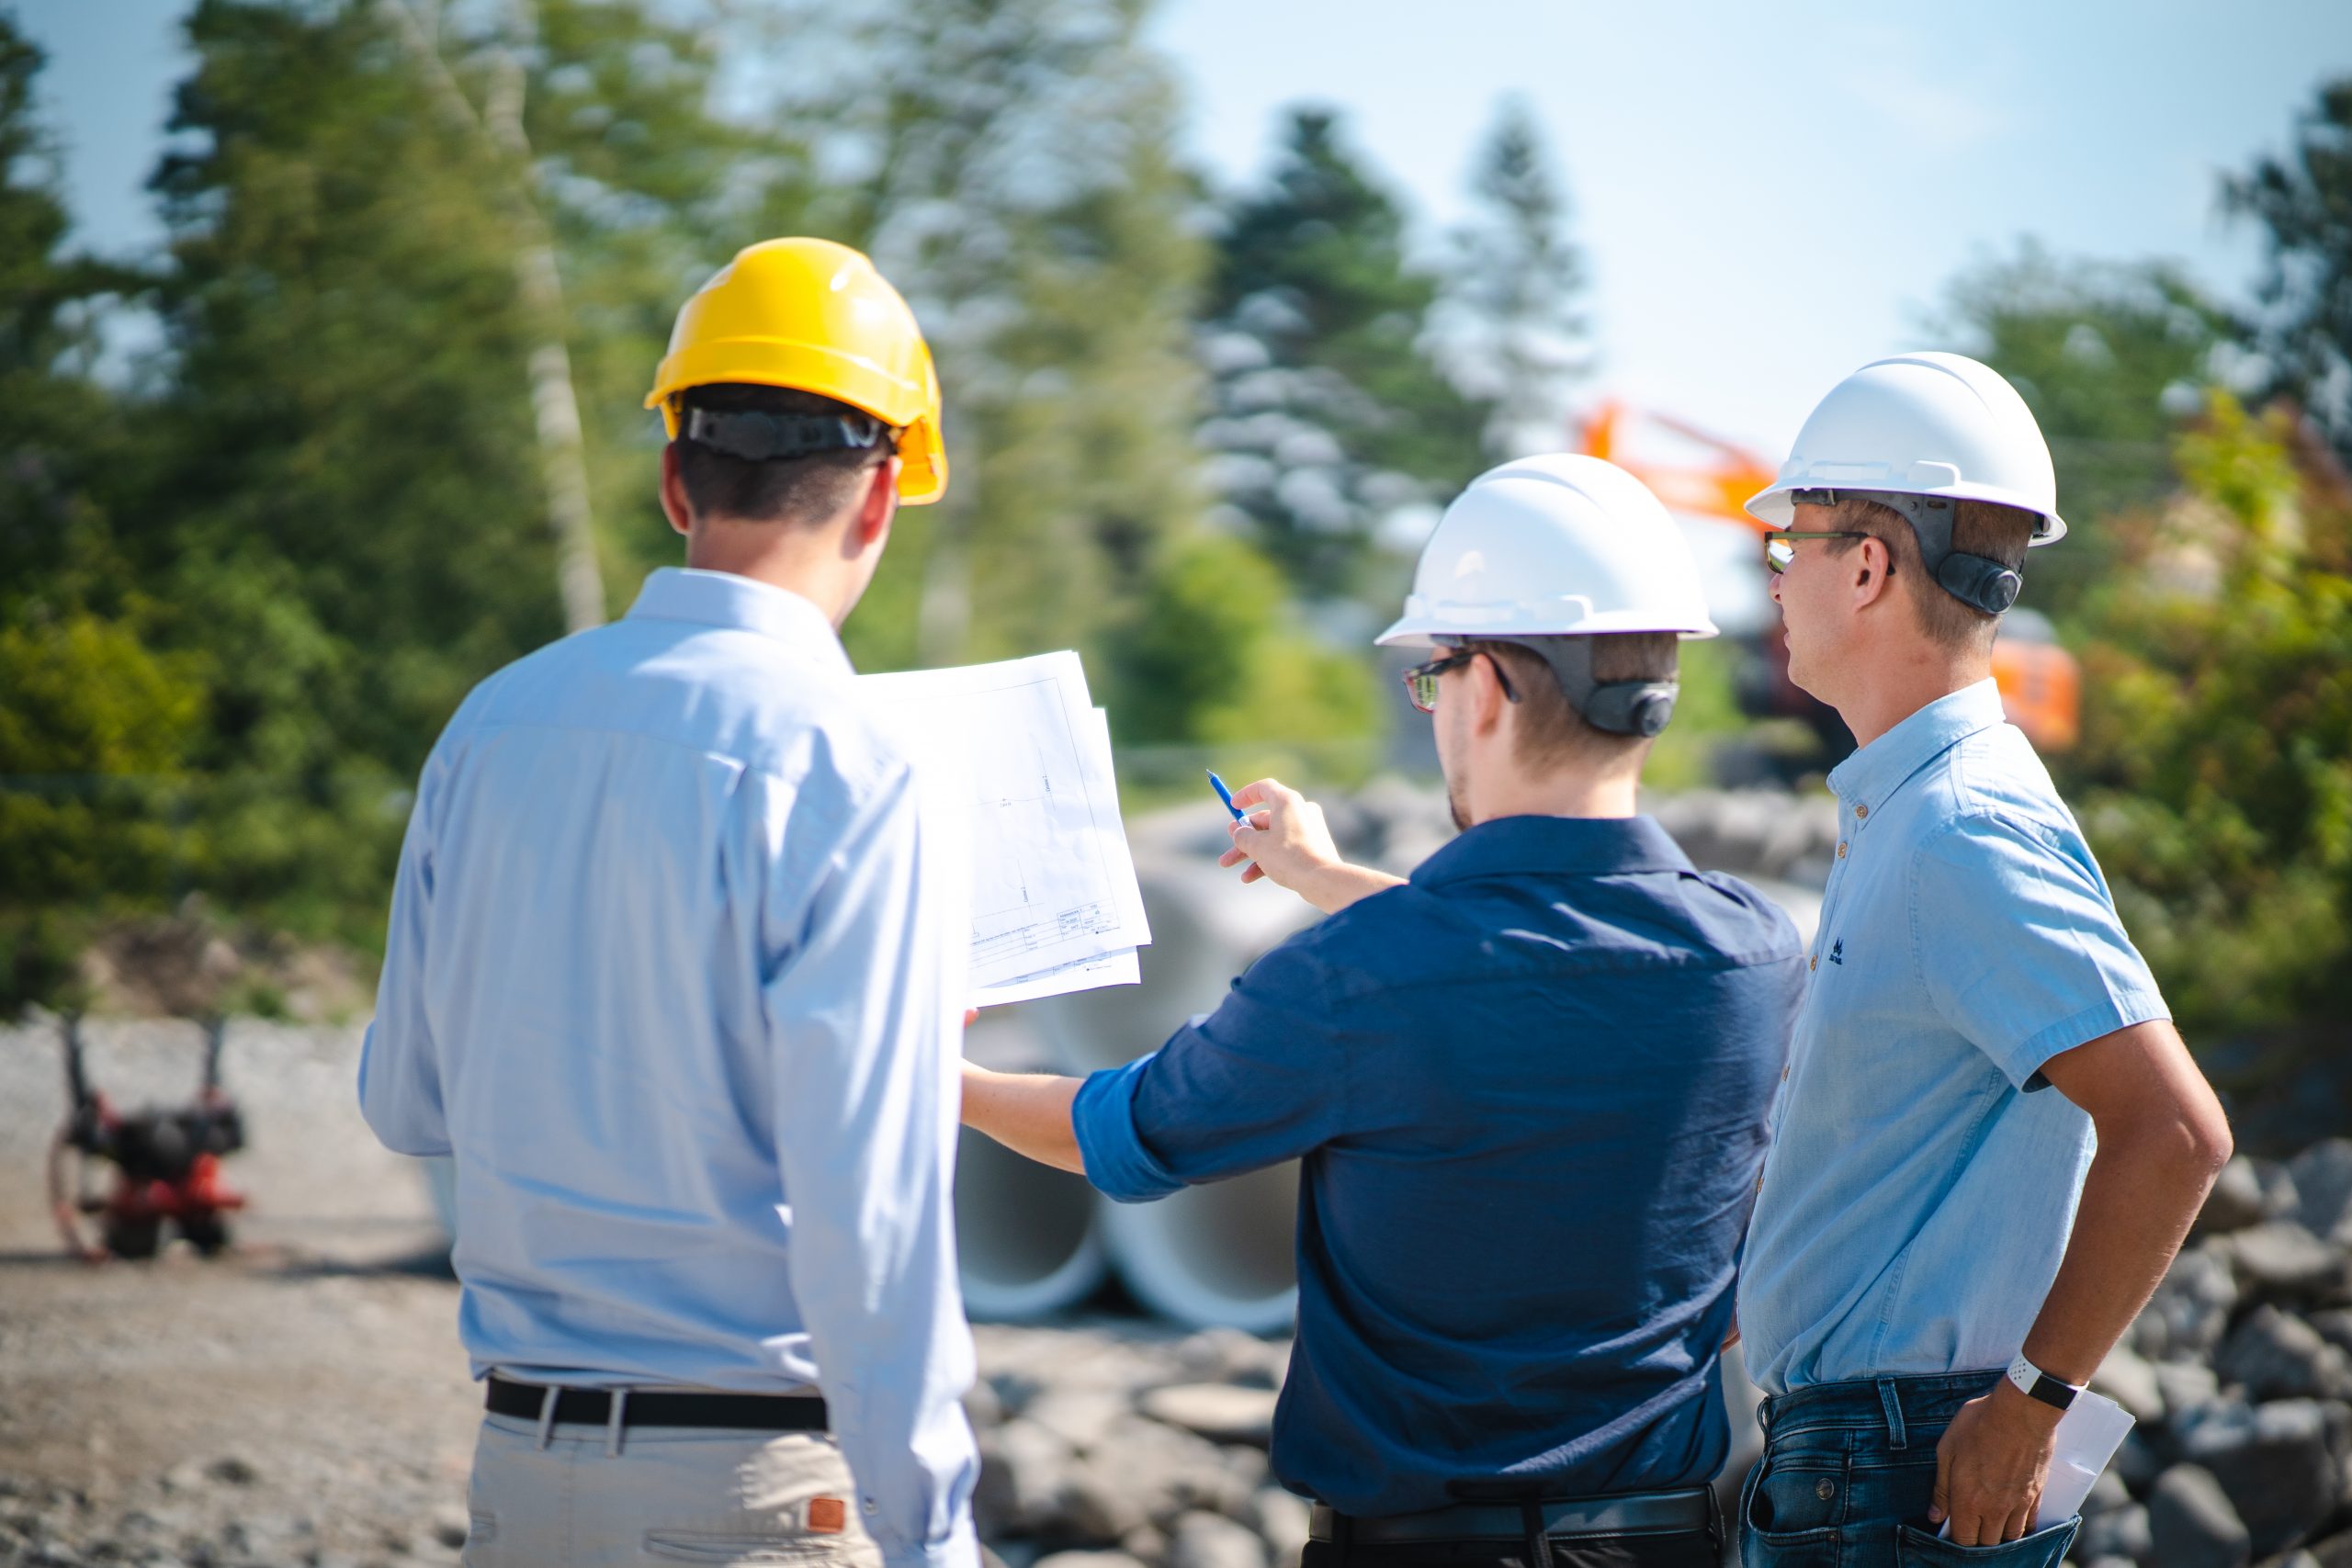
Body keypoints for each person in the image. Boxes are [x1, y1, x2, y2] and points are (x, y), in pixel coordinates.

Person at [962, 455, 1808, 1568]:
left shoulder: (1361, 976)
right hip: (1660, 1542)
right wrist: (1324, 877)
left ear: (1489, 686)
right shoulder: (1752, 953)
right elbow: (1532, 954)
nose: (1434, 706)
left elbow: (1120, 1136)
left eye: (1431, 678)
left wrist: (931, 1072)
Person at [358, 238, 979, 1568]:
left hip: (520, 1474)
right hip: (754, 1488)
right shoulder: (852, 760)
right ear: (880, 498)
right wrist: (935, 1530)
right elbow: (872, 1214)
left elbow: (404, 1099)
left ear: (671, 476)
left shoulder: (491, 721)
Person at [1734, 352, 2233, 1567]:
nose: (1773, 582)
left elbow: (2176, 1131)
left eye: (1785, 543)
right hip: (1869, 1453)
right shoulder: (1914, 807)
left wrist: (2033, 1401)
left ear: (1867, 565)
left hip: (1891, 1463)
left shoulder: (1963, 826)